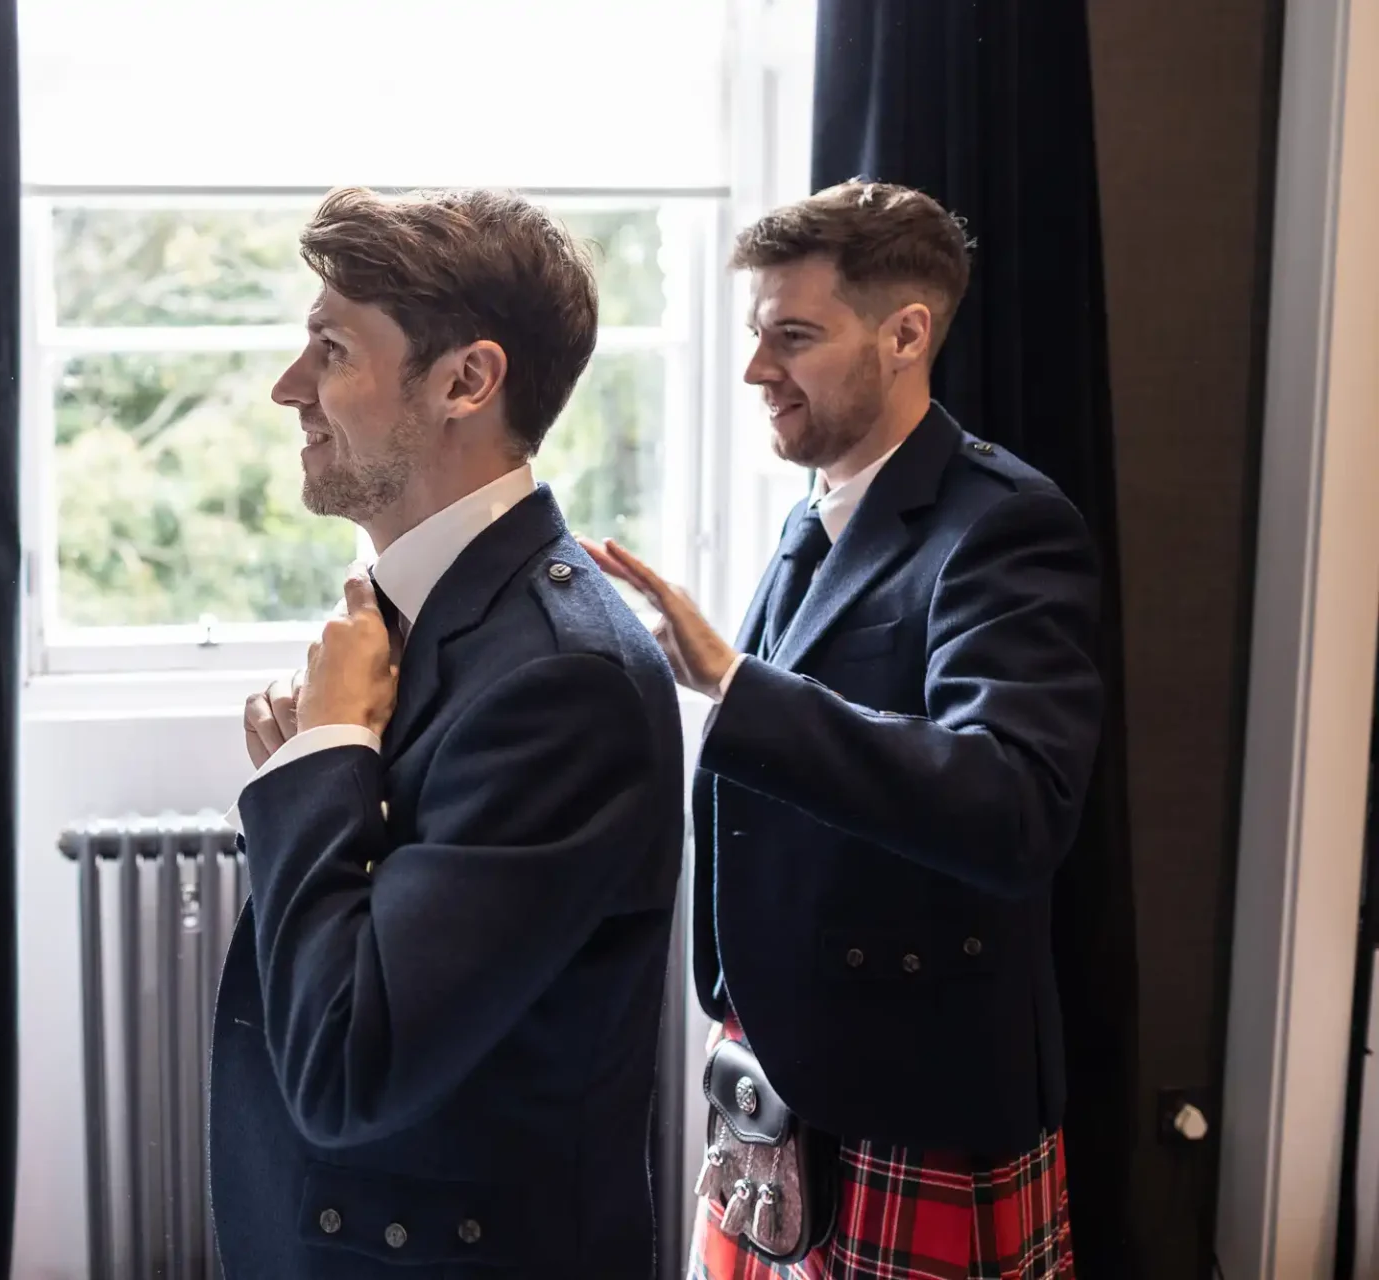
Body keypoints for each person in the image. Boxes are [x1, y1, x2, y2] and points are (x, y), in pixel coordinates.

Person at [584, 181, 1101, 1280]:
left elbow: (1013, 800)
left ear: (905, 332)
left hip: (913, 1087)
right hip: (780, 1077)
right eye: (755, 334)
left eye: (794, 336)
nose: (755, 369)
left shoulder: (1003, 525)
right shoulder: (819, 506)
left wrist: (734, 686)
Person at [209, 186, 685, 1279]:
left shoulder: (565, 677)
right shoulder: (422, 615)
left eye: (330, 348)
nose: (290, 388)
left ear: (467, 379)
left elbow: (349, 1066)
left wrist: (321, 759)